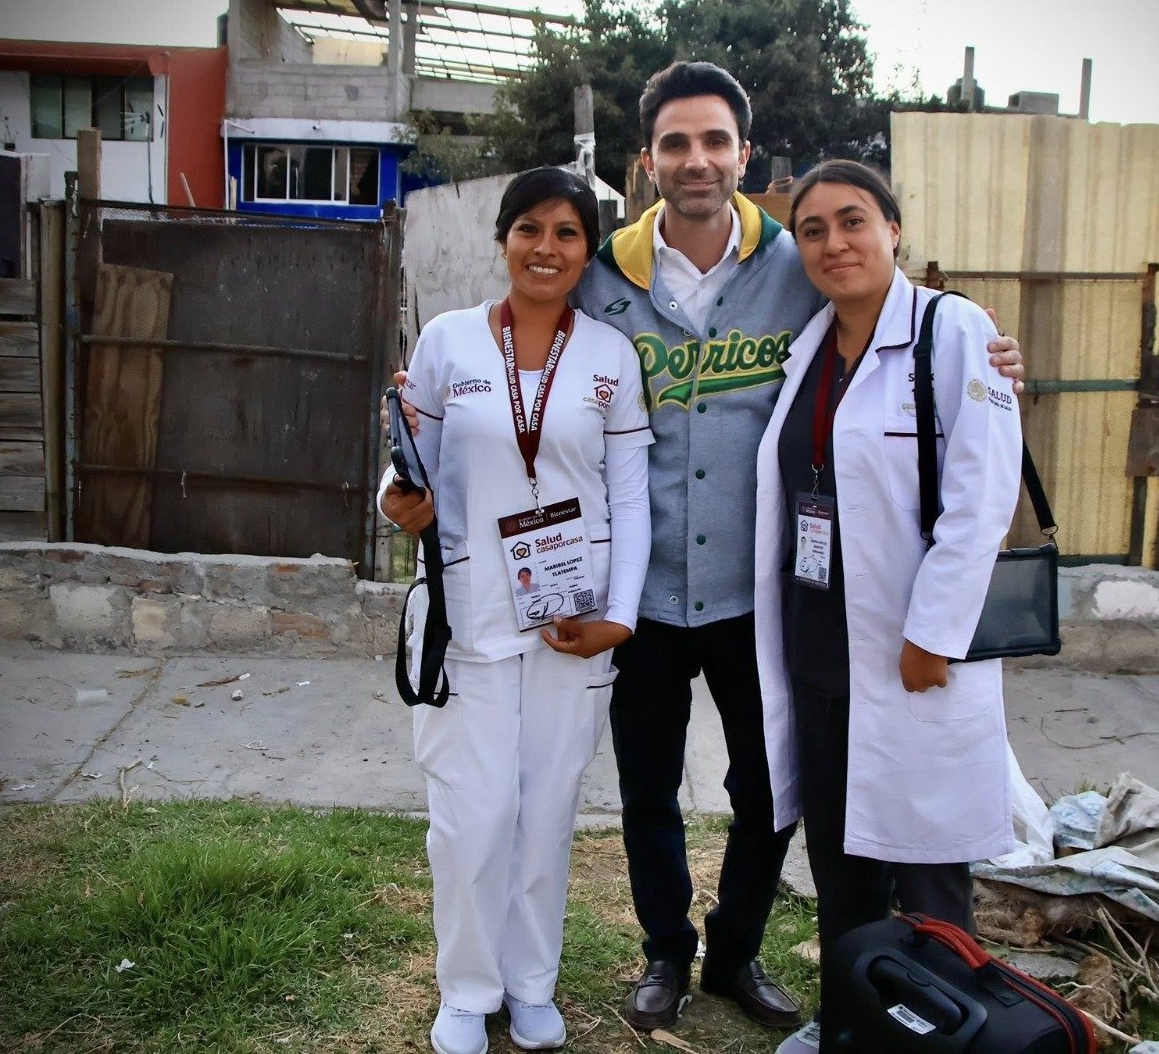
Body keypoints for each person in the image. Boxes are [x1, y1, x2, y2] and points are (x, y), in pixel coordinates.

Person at [387, 60, 1027, 1035]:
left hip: (760, 586)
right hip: (639, 591)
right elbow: (519, 359)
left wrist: (986, 348)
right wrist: (426, 403)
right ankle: (663, 954)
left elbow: (889, 328)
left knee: (768, 789)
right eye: (675, 143)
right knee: (647, 783)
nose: (696, 160)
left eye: (714, 140)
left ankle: (734, 950)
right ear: (648, 159)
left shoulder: (798, 269)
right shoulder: (603, 276)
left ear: (743, 151)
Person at [378, 166, 653, 1054]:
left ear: (588, 249)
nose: (546, 247)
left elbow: (632, 497)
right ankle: (466, 989)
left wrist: (620, 615)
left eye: (567, 232)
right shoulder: (449, 343)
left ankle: (531, 983)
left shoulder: (610, 356)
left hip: (573, 621)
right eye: (529, 228)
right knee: (473, 811)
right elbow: (404, 466)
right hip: (472, 611)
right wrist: (394, 497)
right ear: (503, 240)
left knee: (547, 810)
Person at [753, 160, 1022, 1053]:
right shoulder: (808, 347)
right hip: (821, 646)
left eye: (853, 220)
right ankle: (852, 1024)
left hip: (914, 655)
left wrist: (933, 634)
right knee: (841, 861)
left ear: (894, 230)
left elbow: (983, 498)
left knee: (930, 868)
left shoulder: (955, 331)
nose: (835, 243)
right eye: (814, 229)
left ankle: (950, 1032)